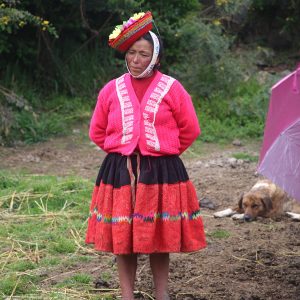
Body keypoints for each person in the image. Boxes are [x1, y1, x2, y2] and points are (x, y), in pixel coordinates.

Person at [85, 11, 206, 300]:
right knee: (122, 238)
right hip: (120, 172)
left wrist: (164, 152)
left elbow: (190, 129)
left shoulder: (172, 89)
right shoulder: (111, 90)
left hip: (161, 172)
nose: (135, 59)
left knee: (159, 236)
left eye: (143, 54)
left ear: (155, 58)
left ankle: (161, 294)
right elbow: (97, 131)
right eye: (131, 53)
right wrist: (121, 150)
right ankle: (127, 295)